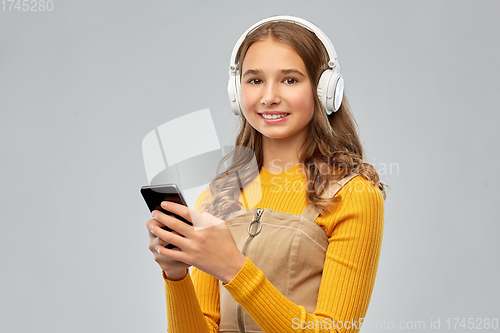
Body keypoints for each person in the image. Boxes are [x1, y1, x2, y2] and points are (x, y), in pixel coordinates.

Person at [147, 16, 386, 333]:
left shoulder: (353, 196)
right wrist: (175, 274)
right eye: (255, 80)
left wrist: (233, 267)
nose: (269, 96)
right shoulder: (218, 197)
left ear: (324, 89)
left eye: (289, 80)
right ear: (237, 92)